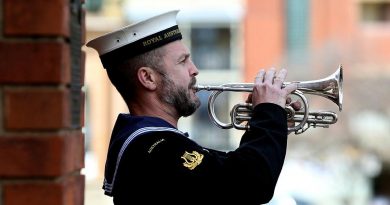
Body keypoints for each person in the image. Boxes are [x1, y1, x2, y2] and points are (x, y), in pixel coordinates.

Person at [86, 10, 299, 205]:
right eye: (183, 61)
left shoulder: (152, 144)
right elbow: (250, 184)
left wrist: (269, 120)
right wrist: (269, 114)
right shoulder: (154, 149)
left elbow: (230, 172)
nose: (194, 70)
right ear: (148, 78)